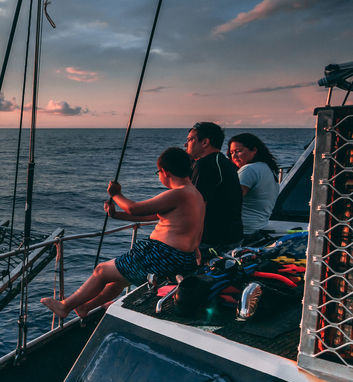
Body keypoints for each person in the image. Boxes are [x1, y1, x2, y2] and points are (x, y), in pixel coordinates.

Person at [41, 147, 204, 319]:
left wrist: (116, 194)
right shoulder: (194, 194)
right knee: (118, 279)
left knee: (101, 271)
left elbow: (135, 208)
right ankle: (85, 308)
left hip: (162, 257)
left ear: (165, 171)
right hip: (182, 258)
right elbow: (155, 215)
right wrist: (117, 215)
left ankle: (65, 306)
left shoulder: (178, 194)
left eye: (158, 172)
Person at [185, 121, 243, 258]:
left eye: (190, 140)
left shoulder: (205, 165)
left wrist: (193, 242)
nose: (186, 144)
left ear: (205, 142)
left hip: (212, 240)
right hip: (232, 236)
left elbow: (197, 205)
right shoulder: (225, 163)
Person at [227, 132, 279, 243]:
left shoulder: (249, 170)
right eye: (231, 152)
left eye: (238, 151)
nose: (234, 156)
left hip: (243, 232)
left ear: (254, 150)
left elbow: (231, 201)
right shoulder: (268, 168)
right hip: (257, 228)